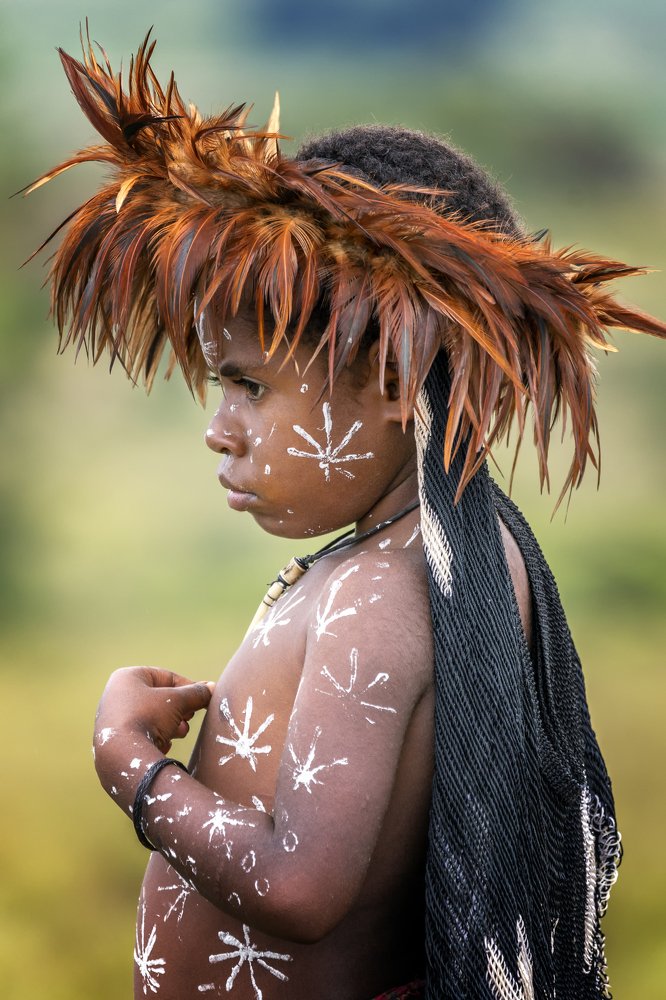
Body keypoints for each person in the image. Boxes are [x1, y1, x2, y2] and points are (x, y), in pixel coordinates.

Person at [26, 30, 666, 1000]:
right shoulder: (434, 559)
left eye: (248, 384)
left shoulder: (382, 590)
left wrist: (134, 770)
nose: (218, 430)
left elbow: (301, 885)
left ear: (404, 378)